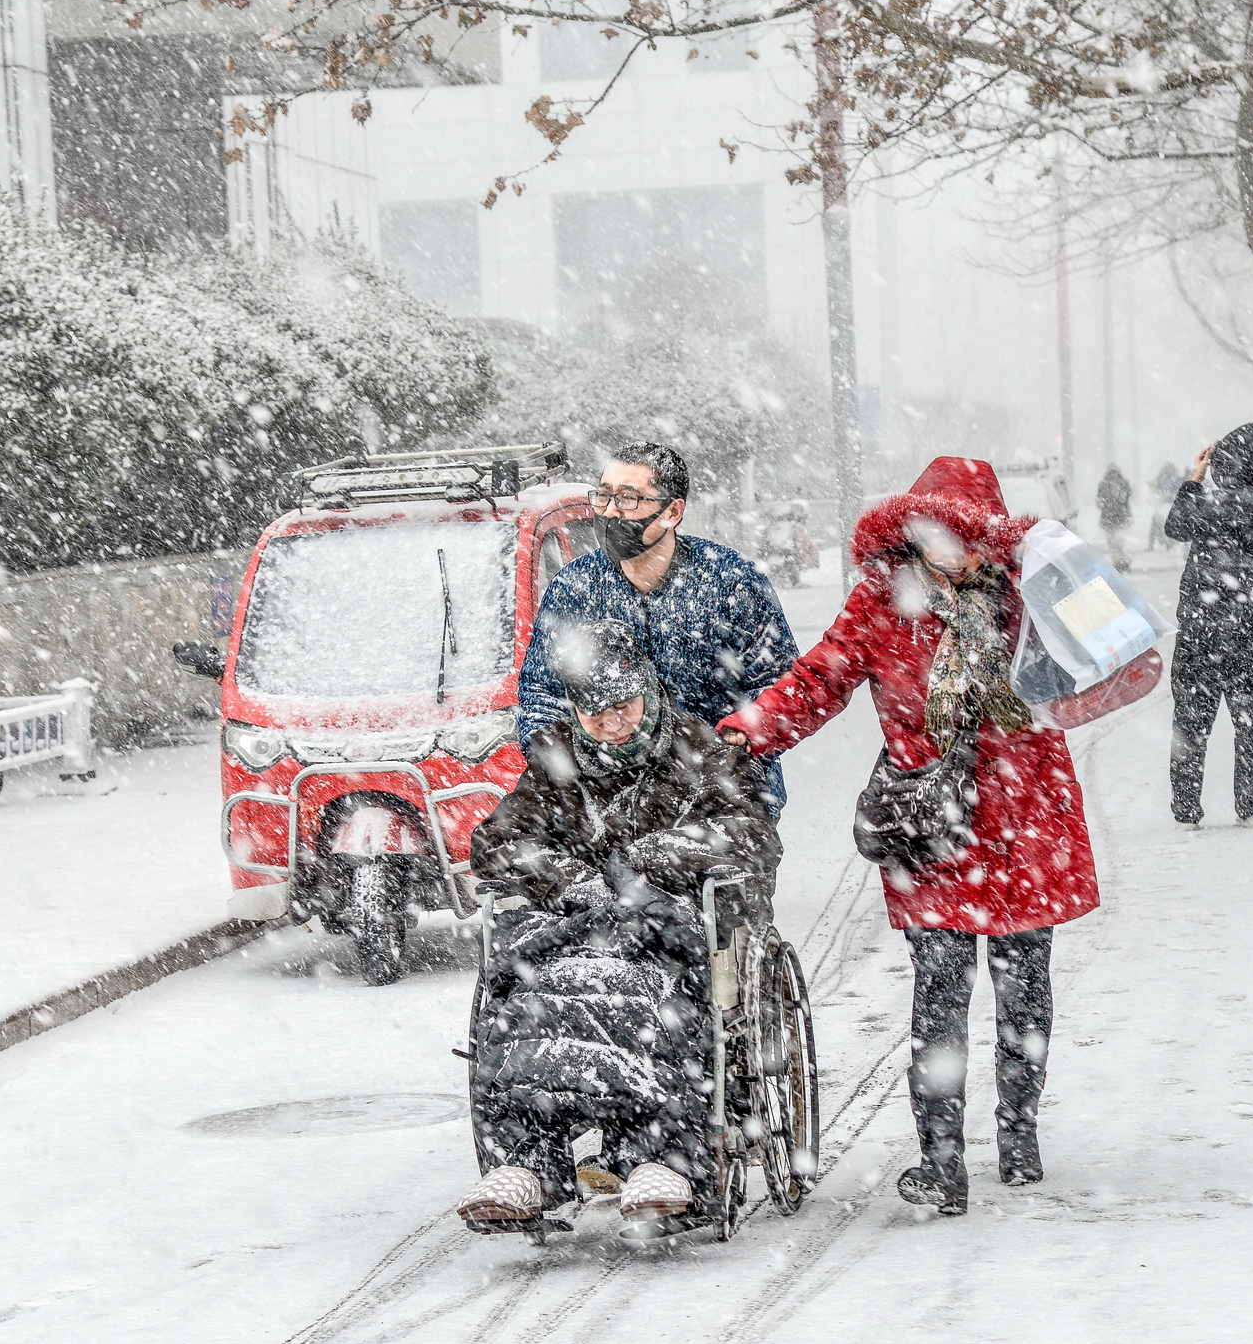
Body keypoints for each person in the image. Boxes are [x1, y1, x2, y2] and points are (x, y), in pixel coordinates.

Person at [717, 456, 1098, 1217]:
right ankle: (943, 1162)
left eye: (960, 534)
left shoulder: (1031, 590)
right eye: (931, 532)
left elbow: (1101, 653)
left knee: (1025, 995)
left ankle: (1018, 1134)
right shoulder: (883, 602)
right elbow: (819, 679)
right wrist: (744, 733)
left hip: (1027, 821)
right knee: (939, 1001)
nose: (945, 547)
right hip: (933, 826)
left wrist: (1070, 577)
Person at [460, 620, 781, 1233]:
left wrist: (662, 858)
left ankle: (663, 1157)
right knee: (526, 999)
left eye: (622, 706)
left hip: (666, 933)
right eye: (593, 712)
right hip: (571, 932)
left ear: (647, 689)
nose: (610, 724)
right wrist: (565, 878)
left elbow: (752, 834)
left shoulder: (699, 749)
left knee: (648, 1003)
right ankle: (531, 1163)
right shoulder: (556, 759)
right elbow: (498, 842)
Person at [520, 442, 799, 814]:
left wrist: (736, 748)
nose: (610, 511)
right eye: (603, 496)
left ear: (672, 511)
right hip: (610, 801)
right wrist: (552, 753)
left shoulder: (731, 582)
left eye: (629, 498)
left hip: (725, 800)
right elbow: (542, 687)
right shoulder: (576, 587)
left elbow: (782, 684)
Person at [1165, 423, 1253, 828]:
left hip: (1199, 633)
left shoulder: (1206, 506)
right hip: (1252, 636)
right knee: (1252, 725)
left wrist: (1194, 478)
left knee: (1190, 726)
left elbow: (1175, 526)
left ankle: (1186, 811)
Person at [1097, 465, 1134, 570]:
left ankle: (1124, 560)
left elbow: (1124, 500)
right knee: (1111, 542)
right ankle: (1117, 561)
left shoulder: (1124, 485)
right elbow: (1099, 501)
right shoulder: (1102, 486)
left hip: (1121, 517)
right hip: (1107, 518)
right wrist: (1101, 501)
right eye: (1111, 477)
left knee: (1118, 541)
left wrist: (1118, 492)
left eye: (1115, 477)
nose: (1113, 480)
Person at [1147, 462, 1186, 551]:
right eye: (1167, 469)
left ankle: (1170, 541)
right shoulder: (1161, 478)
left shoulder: (1177, 479)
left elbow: (1177, 490)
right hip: (1162, 505)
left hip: (1173, 505)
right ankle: (1151, 544)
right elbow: (1154, 488)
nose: (1168, 471)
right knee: (1155, 523)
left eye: (1170, 469)